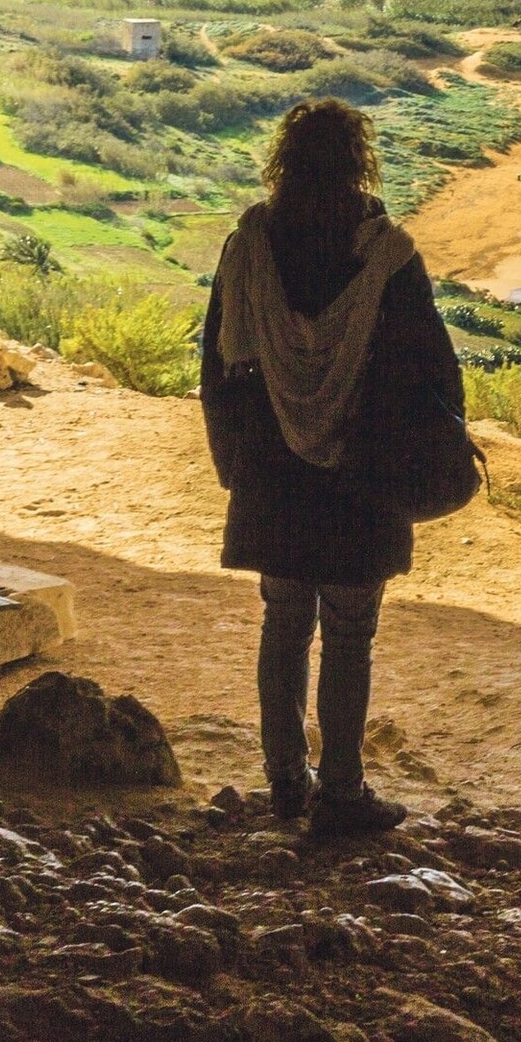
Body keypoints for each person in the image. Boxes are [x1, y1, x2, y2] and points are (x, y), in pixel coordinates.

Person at [200, 98, 462, 834]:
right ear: (359, 162)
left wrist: (233, 464)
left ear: (283, 160)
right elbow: (429, 372)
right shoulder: (388, 256)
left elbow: (216, 365)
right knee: (350, 632)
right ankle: (341, 790)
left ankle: (285, 780)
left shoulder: (248, 244)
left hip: (272, 472)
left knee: (283, 623)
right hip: (360, 475)